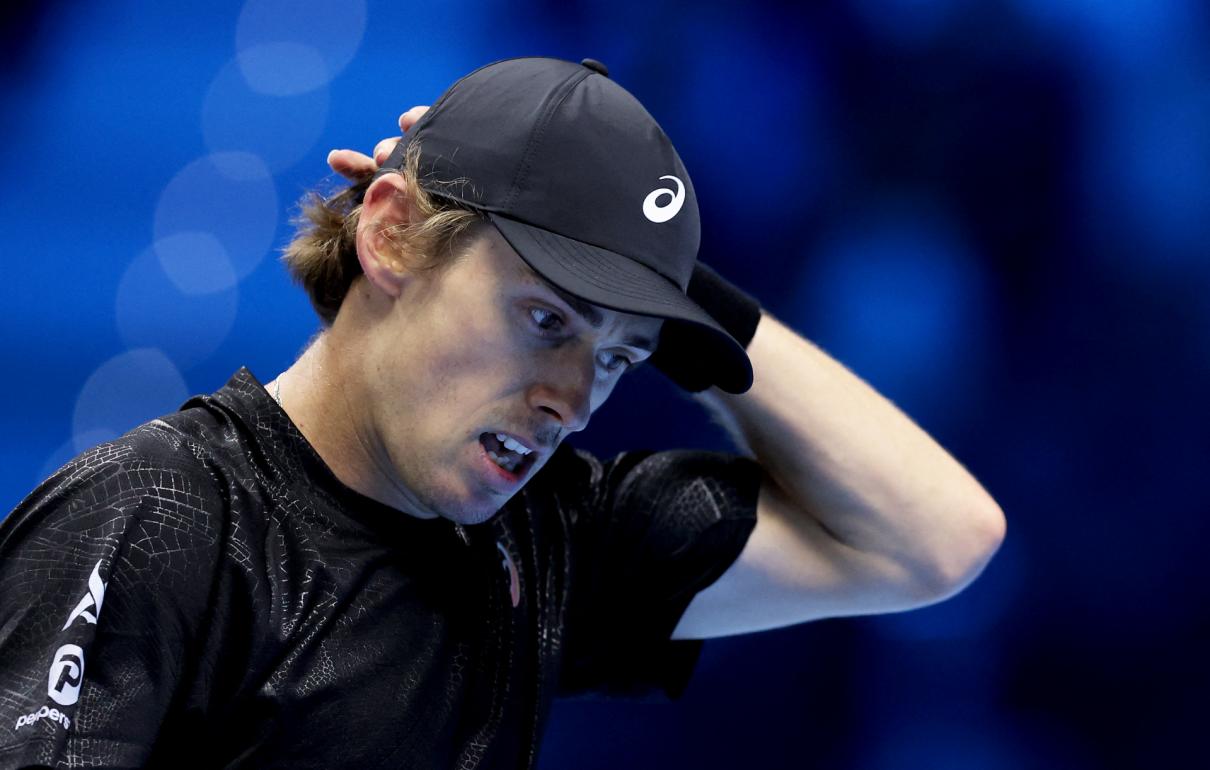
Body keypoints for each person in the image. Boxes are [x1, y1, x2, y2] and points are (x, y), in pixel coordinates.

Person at [0, 57, 1005, 769]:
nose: (572, 400)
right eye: (545, 318)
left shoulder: (545, 541)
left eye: (618, 355)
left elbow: (935, 539)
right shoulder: (160, 520)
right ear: (391, 235)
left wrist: (675, 288)